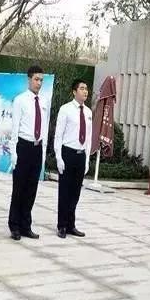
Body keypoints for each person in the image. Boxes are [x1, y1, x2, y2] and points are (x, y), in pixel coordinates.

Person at [8, 65, 49, 240]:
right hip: (23, 146)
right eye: (36, 79)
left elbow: (45, 127)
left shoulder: (44, 102)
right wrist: (14, 152)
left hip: (37, 147)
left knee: (32, 189)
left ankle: (26, 225)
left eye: (41, 80)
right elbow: (14, 129)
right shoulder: (20, 100)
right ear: (29, 79)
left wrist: (43, 151)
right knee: (19, 188)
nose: (39, 83)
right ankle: (14, 226)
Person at [54, 79, 92, 238]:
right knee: (65, 192)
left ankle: (71, 225)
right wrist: (58, 157)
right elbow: (58, 135)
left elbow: (88, 137)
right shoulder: (65, 109)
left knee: (75, 193)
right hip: (67, 154)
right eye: (82, 88)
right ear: (74, 91)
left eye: (86, 88)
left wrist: (87, 159)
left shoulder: (88, 112)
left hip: (81, 155)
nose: (85, 91)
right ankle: (62, 225)